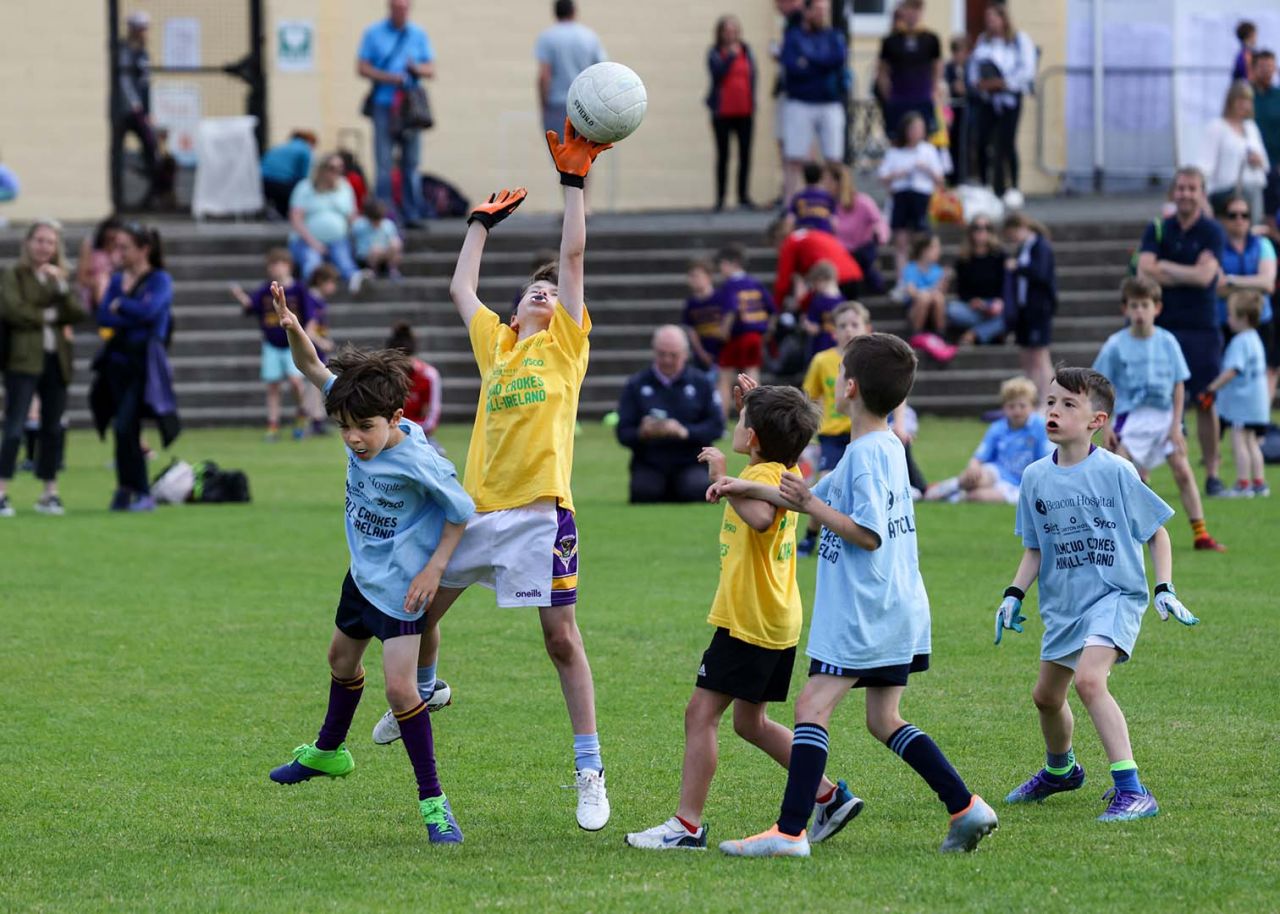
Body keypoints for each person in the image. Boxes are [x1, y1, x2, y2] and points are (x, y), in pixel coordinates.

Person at [370, 122, 615, 831]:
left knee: (561, 640)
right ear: (512, 313)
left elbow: (571, 256)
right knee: (414, 611)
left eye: (551, 293)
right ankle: (423, 689)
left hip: (541, 514)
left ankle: (589, 770)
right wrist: (477, 225)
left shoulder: (565, 349)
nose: (544, 294)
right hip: (474, 514)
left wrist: (573, 184)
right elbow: (459, 287)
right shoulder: (499, 349)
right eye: (532, 292)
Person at [714, 334, 998, 858]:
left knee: (810, 706)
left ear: (848, 387)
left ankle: (790, 832)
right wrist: (739, 484)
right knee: (883, 720)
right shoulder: (882, 446)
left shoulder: (867, 455)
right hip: (898, 605)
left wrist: (811, 509)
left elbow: (866, 531)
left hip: (865, 609)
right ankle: (966, 807)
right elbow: (804, 496)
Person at [264, 282, 473, 843]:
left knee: (401, 693)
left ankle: (435, 805)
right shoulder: (358, 405)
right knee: (339, 658)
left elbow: (462, 511)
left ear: (395, 417)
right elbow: (312, 367)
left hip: (404, 589)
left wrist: (434, 571)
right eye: (345, 429)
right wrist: (292, 326)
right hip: (363, 576)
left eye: (365, 430)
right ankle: (329, 752)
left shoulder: (418, 461)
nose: (354, 439)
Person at [625, 383, 860, 851]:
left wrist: (722, 475)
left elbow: (762, 519)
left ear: (752, 438)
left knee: (700, 714)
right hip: (774, 618)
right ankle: (828, 795)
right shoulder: (779, 465)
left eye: (741, 421)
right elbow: (777, 445)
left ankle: (686, 826)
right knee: (749, 723)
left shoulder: (768, 475)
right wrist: (759, 404)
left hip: (750, 621)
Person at [995, 366, 1199, 823]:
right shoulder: (1033, 477)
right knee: (1046, 697)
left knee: (1090, 681)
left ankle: (1133, 790)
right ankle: (1061, 769)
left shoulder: (1116, 471)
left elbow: (1157, 533)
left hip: (1117, 596)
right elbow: (1035, 547)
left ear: (1097, 420)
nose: (1054, 412)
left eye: (1069, 405)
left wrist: (1163, 587)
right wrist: (1013, 594)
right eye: (1050, 402)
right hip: (1064, 605)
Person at [1093, 277, 1226, 551]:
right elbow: (1101, 386)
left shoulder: (1167, 342)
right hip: (1130, 417)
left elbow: (1179, 384)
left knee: (1182, 470)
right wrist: (1107, 426)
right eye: (1134, 306)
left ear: (1157, 308)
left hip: (1164, 417)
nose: (1139, 312)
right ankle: (1119, 536)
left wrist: (1177, 425)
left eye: (1145, 305)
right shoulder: (1115, 345)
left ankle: (1200, 533)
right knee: (1121, 473)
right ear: (1125, 310)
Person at [1136, 167, 1228, 496]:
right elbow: (1145, 269)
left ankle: (1212, 472)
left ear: (1202, 193)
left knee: (1205, 399)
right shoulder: (1158, 228)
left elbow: (1207, 278)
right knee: (1157, 398)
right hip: (1164, 326)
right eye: (1181, 188)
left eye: (1193, 188)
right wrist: (1188, 271)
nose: (1186, 194)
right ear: (1173, 192)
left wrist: (1167, 270)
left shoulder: (1212, 231)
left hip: (1201, 326)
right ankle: (1148, 471)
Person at [0, 221, 86, 517]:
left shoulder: (57, 280)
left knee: (52, 428)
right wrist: (49, 314)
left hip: (55, 361)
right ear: (28, 243)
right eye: (39, 240)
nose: (44, 247)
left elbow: (77, 312)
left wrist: (61, 287)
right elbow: (13, 310)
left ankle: (49, 492)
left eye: (50, 242)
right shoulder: (13, 275)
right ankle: (2, 491)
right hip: (23, 361)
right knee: (14, 427)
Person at [92, 223, 178, 512]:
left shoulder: (160, 279)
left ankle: (141, 491)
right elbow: (104, 316)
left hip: (144, 364)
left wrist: (122, 307)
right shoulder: (118, 280)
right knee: (121, 427)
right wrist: (127, 310)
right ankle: (125, 488)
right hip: (117, 363)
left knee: (127, 424)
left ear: (144, 249)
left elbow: (151, 313)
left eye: (124, 247)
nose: (119, 253)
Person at [615, 325, 725, 504]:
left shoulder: (701, 383)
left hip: (690, 460)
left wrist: (685, 432)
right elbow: (622, 432)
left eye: (673, 355)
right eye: (661, 354)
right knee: (644, 493)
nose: (666, 360)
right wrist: (642, 432)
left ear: (685, 354)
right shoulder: (636, 384)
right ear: (653, 352)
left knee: (695, 490)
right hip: (650, 461)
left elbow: (716, 427)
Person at [357, 0, 436, 227]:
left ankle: (411, 212)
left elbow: (430, 68)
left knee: (411, 162)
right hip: (384, 103)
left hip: (409, 107)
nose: (401, 12)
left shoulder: (418, 34)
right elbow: (362, 67)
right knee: (383, 162)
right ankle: (384, 214)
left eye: (405, 8)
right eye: (397, 8)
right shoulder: (374, 33)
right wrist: (388, 77)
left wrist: (415, 69)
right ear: (389, 8)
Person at [796, 301, 865, 555]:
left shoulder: (871, 359)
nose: (848, 330)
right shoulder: (822, 360)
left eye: (854, 324)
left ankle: (887, 536)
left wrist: (898, 423)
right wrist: (807, 434)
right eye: (842, 325)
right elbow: (808, 398)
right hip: (833, 437)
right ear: (833, 331)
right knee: (826, 484)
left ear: (866, 328)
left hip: (864, 434)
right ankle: (811, 536)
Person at [230, 248, 315, 441]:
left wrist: (306, 336)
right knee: (273, 386)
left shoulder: (299, 289)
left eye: (278, 264)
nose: (275, 269)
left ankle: (302, 413)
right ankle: (273, 425)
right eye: (272, 266)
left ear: (288, 266)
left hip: (292, 344)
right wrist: (239, 296)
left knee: (296, 383)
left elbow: (310, 315)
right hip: (271, 345)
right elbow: (251, 306)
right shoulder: (264, 289)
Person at [924, 376, 1049, 504]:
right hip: (997, 472)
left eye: (1022, 406)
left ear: (1033, 407)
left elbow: (1047, 461)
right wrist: (973, 467)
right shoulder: (998, 427)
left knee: (979, 496)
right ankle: (943, 488)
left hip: (1021, 483)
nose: (1017, 411)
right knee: (973, 477)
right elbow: (979, 456)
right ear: (1004, 407)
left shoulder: (1040, 427)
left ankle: (955, 497)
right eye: (1011, 406)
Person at [1202, 291, 1270, 498]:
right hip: (1258, 404)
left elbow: (1233, 370)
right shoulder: (1256, 339)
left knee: (1239, 441)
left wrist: (1213, 386)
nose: (1228, 319)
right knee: (1252, 443)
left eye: (1231, 315)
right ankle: (1259, 483)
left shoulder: (1240, 341)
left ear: (1244, 319)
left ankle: (1243, 483)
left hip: (1243, 404)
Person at [778, 0, 848, 202]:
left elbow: (837, 59)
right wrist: (820, 62)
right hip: (800, 102)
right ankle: (791, 204)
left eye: (825, 11)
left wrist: (809, 60)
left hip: (830, 102)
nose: (822, 15)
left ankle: (832, 202)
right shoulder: (793, 37)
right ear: (807, 12)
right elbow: (793, 66)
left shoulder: (834, 36)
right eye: (818, 10)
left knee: (833, 158)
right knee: (795, 158)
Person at [968, 3, 1037, 199]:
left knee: (1007, 142)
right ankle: (985, 184)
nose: (990, 23)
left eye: (994, 18)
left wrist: (1003, 83)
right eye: (987, 19)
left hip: (1009, 98)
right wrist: (981, 84)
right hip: (988, 99)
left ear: (1003, 19)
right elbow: (975, 67)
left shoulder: (1018, 41)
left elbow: (1026, 71)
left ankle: (1012, 186)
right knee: (983, 141)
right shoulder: (984, 41)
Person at [1216, 194, 1277, 406]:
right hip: (1228, 322)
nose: (1240, 219)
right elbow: (1217, 288)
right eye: (1233, 215)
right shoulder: (1218, 247)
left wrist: (1232, 280)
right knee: (1231, 370)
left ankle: (1259, 420)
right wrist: (1254, 282)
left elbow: (1268, 284)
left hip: (1261, 321)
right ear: (1223, 219)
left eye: (1245, 214)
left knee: (1263, 371)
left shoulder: (1262, 244)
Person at [878, 111, 944, 278]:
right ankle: (903, 281)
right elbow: (883, 176)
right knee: (901, 242)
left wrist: (925, 168)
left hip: (921, 197)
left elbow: (940, 179)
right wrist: (899, 173)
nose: (917, 132)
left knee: (921, 241)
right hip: (901, 197)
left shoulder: (928, 150)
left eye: (920, 128)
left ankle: (923, 279)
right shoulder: (895, 152)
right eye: (913, 128)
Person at [716, 243, 776, 416]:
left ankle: (721, 418)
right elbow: (771, 309)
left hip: (737, 336)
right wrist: (767, 331)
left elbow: (731, 309)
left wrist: (723, 331)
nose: (721, 270)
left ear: (731, 263)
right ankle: (755, 413)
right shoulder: (755, 283)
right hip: (755, 335)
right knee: (752, 373)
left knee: (725, 377)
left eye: (722, 265)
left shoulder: (730, 285)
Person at [1003, 212, 1057, 404]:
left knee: (1040, 356)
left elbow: (1040, 273)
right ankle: (1031, 399)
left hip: (1038, 309)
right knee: (1027, 356)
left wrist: (1017, 267)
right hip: (1024, 309)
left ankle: (1046, 400)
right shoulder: (1024, 248)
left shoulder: (1040, 246)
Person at [1198, 81, 1270, 222]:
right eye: (1241, 100)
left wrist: (1258, 160)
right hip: (1227, 194)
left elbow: (1265, 164)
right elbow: (1204, 166)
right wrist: (1201, 197)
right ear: (1230, 102)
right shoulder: (1217, 127)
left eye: (1248, 101)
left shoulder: (1251, 127)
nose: (1245, 105)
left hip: (1254, 192)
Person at [289, 152, 361, 291]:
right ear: (321, 169)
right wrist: (314, 242)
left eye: (341, 168)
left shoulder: (345, 187)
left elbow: (352, 216)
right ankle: (311, 292)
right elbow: (296, 219)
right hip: (307, 240)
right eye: (332, 168)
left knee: (344, 260)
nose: (337, 172)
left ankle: (355, 280)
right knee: (311, 262)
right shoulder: (304, 187)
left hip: (338, 239)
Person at [706, 14, 757, 211]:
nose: (730, 34)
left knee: (745, 154)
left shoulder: (746, 50)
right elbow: (717, 74)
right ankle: (720, 198)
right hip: (723, 113)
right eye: (727, 31)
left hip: (745, 110)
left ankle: (743, 196)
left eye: (734, 31)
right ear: (720, 33)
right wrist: (731, 57)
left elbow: (753, 77)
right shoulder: (715, 53)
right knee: (723, 155)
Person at [536, 1, 607, 136]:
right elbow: (602, 70)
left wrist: (544, 107)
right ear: (574, 12)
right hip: (586, 105)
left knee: (561, 154)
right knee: (584, 155)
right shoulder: (589, 36)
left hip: (557, 105)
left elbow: (545, 75)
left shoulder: (547, 37)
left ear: (555, 13)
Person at [113, 12, 160, 208]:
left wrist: (149, 111)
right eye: (140, 28)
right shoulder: (125, 51)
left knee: (151, 147)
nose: (144, 32)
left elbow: (146, 83)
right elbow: (125, 81)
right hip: (127, 111)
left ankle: (153, 195)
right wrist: (135, 105)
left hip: (140, 110)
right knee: (117, 151)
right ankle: (119, 197)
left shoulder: (143, 52)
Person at [876, 0, 942, 142]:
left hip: (922, 98)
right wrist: (888, 94)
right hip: (898, 99)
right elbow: (882, 70)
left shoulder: (931, 39)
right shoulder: (891, 40)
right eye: (909, 9)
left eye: (916, 10)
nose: (912, 14)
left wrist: (934, 91)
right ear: (903, 11)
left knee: (924, 140)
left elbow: (937, 67)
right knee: (897, 139)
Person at [828, 163, 890, 294]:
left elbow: (879, 221)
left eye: (828, 181)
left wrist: (880, 235)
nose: (825, 185)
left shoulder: (862, 201)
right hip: (840, 252)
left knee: (858, 261)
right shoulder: (829, 205)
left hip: (861, 250)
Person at [772, 221, 863, 308]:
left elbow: (783, 283)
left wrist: (775, 308)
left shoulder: (790, 242)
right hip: (854, 275)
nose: (778, 251)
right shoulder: (813, 233)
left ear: (778, 239)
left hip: (834, 280)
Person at [946, 216, 1006, 344]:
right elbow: (961, 290)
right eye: (977, 228)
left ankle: (973, 335)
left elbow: (1006, 285)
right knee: (952, 310)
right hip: (972, 307)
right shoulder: (963, 259)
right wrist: (972, 301)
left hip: (994, 304)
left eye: (986, 228)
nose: (982, 232)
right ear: (971, 232)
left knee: (1010, 314)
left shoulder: (1000, 256)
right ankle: (991, 331)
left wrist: (999, 301)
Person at [387, 322, 445, 453]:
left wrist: (406, 433)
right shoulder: (383, 376)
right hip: (388, 436)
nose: (401, 366)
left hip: (420, 437)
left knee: (439, 458)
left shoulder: (428, 376)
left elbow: (431, 419)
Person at [897, 232, 948, 339]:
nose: (939, 251)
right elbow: (911, 291)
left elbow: (941, 291)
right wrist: (927, 294)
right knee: (924, 298)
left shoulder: (938, 270)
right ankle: (916, 334)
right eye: (934, 247)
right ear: (924, 250)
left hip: (933, 310)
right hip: (915, 309)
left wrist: (943, 282)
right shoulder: (911, 268)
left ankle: (940, 335)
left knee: (938, 298)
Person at [681, 258, 723, 381]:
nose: (693, 280)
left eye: (697, 276)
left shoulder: (720, 298)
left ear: (709, 277)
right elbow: (691, 330)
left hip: (722, 351)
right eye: (691, 277)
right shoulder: (691, 303)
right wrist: (701, 353)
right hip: (702, 355)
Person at [261, 130, 318, 220]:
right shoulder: (305, 149)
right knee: (296, 194)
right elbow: (304, 176)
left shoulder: (281, 146)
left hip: (262, 181)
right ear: (310, 142)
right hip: (281, 182)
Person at [1251, 51, 1280, 221]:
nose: (1267, 71)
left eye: (1271, 67)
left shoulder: (1278, 95)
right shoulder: (1246, 97)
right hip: (1254, 168)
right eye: (1263, 67)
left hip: (1276, 167)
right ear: (1253, 69)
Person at [352, 198, 404, 280]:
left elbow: (394, 244)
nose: (377, 224)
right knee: (375, 250)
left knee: (396, 244)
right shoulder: (359, 226)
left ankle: (391, 269)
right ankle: (373, 272)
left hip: (385, 257)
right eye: (375, 221)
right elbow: (357, 247)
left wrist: (390, 247)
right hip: (366, 258)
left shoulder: (388, 225)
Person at [944, 35, 972, 186]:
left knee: (965, 144)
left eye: (961, 52)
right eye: (956, 52)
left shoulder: (970, 68)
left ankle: (963, 177)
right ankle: (951, 177)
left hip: (966, 109)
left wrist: (966, 89)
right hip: (952, 109)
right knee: (951, 144)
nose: (958, 56)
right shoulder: (948, 68)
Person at [800, 260, 843, 355]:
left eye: (815, 284)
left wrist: (805, 323)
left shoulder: (818, 301)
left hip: (822, 346)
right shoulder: (843, 300)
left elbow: (813, 328)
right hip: (838, 345)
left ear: (820, 280)